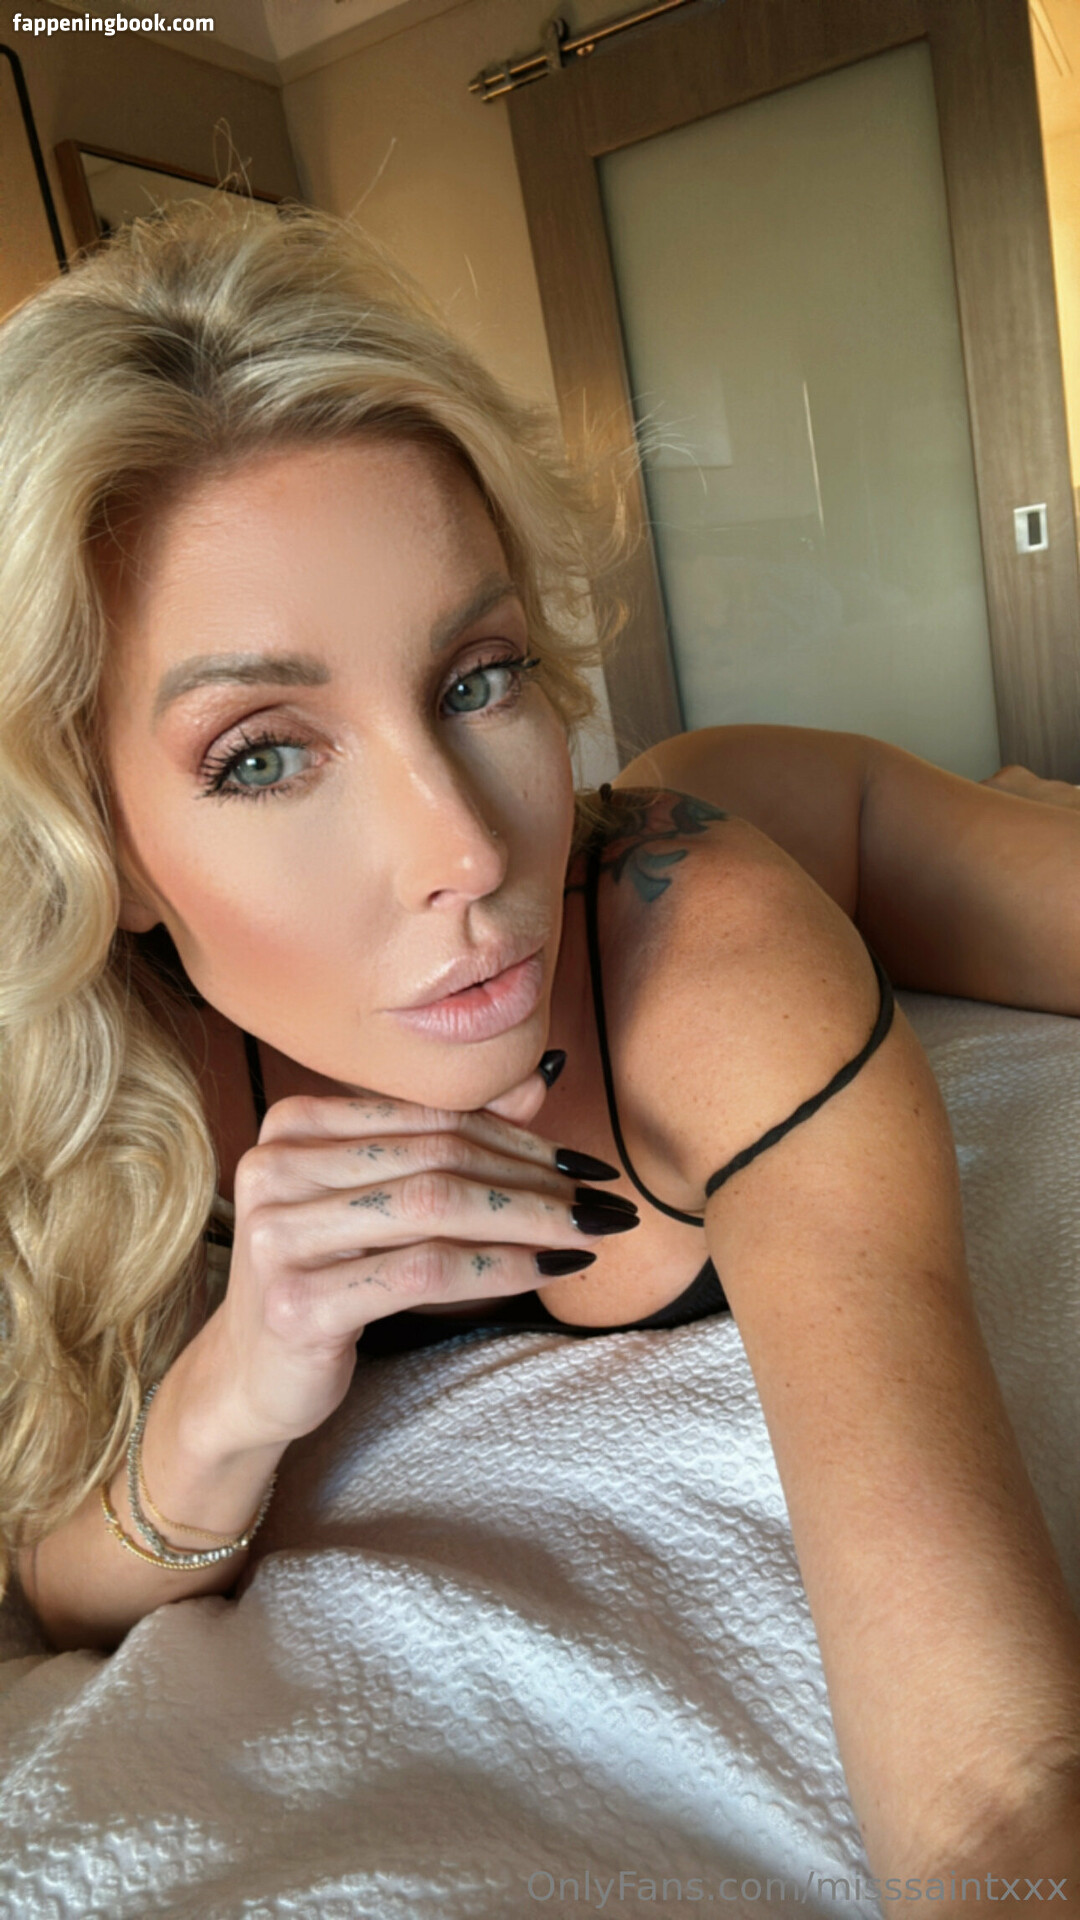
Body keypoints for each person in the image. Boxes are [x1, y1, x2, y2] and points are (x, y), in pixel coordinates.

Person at [1, 195, 1077, 1902]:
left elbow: (999, 1795)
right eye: (263, 754)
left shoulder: (708, 962)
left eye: (479, 676)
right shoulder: (123, 1085)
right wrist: (232, 1389)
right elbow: (56, 1587)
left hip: (819, 827)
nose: (466, 848)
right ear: (105, 843)